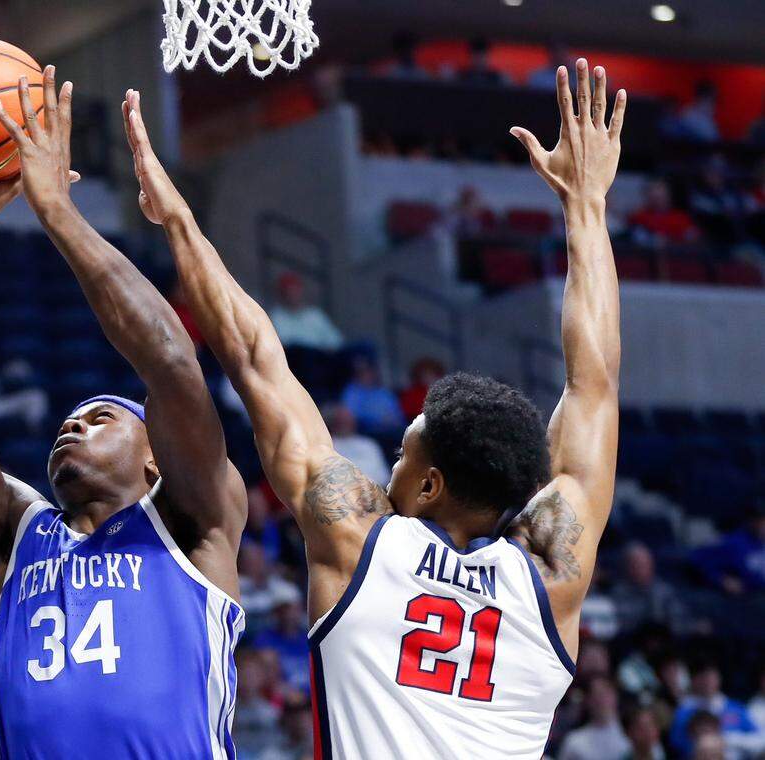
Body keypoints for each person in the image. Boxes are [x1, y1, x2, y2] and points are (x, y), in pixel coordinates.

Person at [123, 58, 626, 758]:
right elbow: (594, 383)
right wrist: (587, 204)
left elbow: (255, 357)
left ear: (429, 485)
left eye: (402, 454)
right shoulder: (552, 574)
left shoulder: (360, 540)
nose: (390, 468)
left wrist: (178, 222)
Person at [0, 66, 248, 756]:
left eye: (102, 419)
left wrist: (58, 213)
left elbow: (170, 360)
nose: (73, 425)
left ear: (156, 457)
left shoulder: (192, 519)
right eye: (70, 422)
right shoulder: (11, 535)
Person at [559, 675, 630, 760]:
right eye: (596, 695)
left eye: (605, 694)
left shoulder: (634, 733)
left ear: (615, 696)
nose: (602, 700)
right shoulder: (574, 742)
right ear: (588, 701)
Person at [324, 404, 391, 485]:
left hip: (375, 489)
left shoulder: (369, 444)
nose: (345, 423)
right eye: (341, 420)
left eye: (347, 419)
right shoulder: (328, 446)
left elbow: (384, 477)